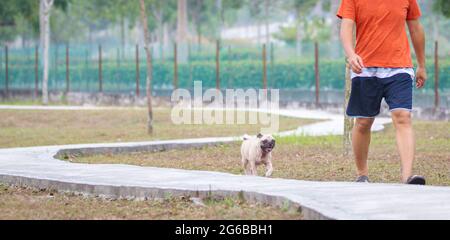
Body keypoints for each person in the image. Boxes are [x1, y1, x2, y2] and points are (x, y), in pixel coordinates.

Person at [337, 0, 427, 185]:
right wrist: (351, 54)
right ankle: (362, 175)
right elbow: (346, 27)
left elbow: (416, 29)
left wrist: (422, 65)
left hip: (399, 67)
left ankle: (407, 177)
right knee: (363, 121)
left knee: (403, 116)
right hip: (365, 68)